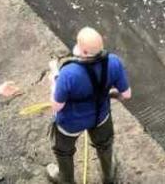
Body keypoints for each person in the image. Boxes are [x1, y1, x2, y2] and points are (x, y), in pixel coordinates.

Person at [46, 27, 132, 184]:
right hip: (101, 116)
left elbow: (56, 106)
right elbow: (126, 95)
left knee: (64, 152)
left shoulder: (68, 73)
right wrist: (108, 93)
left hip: (70, 123)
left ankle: (66, 180)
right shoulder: (113, 62)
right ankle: (108, 175)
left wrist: (54, 81)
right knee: (105, 145)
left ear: (83, 51)